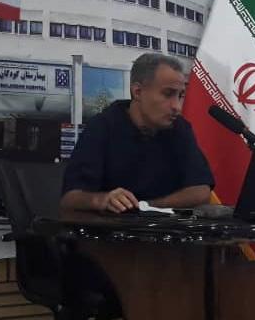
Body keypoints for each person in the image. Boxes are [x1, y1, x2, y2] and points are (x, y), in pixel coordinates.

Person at [60, 53, 213, 213]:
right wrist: (102, 200)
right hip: (112, 226)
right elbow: (69, 199)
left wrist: (145, 207)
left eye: (180, 96)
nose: (177, 106)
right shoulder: (102, 127)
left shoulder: (180, 128)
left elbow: (201, 191)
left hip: (165, 225)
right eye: (168, 94)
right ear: (138, 92)